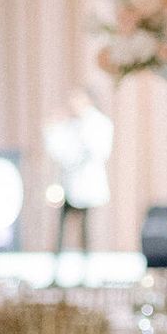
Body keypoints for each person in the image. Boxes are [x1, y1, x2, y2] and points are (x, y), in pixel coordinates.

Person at [45, 87, 113, 254]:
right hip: (69, 184)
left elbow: (99, 151)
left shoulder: (97, 123)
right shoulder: (70, 124)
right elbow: (59, 152)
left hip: (87, 184)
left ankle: (87, 266)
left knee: (86, 229)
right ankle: (58, 268)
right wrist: (52, 128)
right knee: (62, 228)